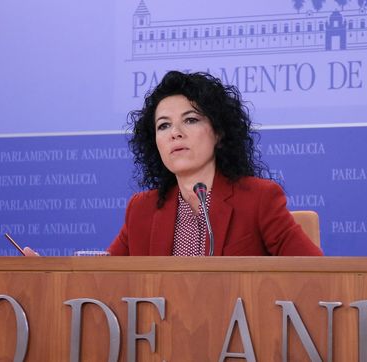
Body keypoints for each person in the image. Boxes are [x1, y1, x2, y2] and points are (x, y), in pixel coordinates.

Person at [106, 70, 323, 256]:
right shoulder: (142, 209)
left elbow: (316, 274)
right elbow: (100, 279)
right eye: (163, 125)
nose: (175, 133)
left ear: (218, 132)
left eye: (190, 120)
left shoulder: (259, 199)